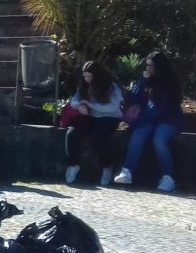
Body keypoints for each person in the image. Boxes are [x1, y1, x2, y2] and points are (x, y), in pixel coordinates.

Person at [113, 51, 184, 192]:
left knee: (159, 139)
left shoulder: (169, 84)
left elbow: (157, 109)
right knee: (139, 134)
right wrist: (143, 81)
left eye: (151, 66)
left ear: (159, 67)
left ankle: (168, 178)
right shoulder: (148, 79)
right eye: (147, 65)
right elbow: (133, 97)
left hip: (168, 119)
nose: (148, 69)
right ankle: (127, 171)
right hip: (150, 118)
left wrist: (135, 123)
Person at [64, 61, 124, 186]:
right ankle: (73, 165)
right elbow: (74, 100)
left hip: (109, 117)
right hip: (91, 116)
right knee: (72, 133)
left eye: (89, 76)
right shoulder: (84, 85)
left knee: (98, 135)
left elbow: (113, 108)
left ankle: (107, 166)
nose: (87, 79)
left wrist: (91, 105)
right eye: (85, 76)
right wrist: (79, 106)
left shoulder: (111, 86)